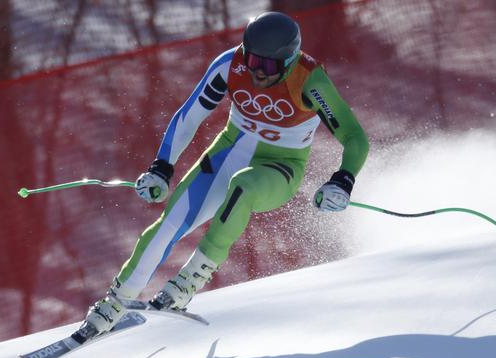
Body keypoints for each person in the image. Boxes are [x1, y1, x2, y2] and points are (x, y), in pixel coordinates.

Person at [74, 11, 369, 340]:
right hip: (228, 151)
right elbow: (189, 116)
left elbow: (355, 137)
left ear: (288, 61)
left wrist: (343, 179)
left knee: (241, 187)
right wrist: (162, 168)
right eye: (252, 59)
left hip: (280, 166)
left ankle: (189, 281)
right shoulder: (231, 65)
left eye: (268, 66)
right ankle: (116, 302)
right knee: (170, 222)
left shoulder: (309, 80)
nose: (257, 71)